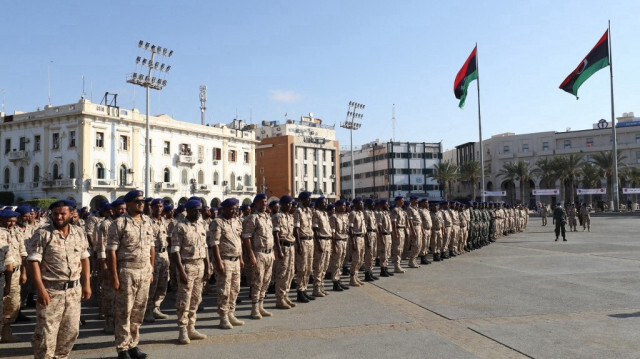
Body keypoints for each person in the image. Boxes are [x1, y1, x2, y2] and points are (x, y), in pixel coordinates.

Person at [27, 200, 91, 358]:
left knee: (71, 331)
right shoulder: (43, 234)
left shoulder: (78, 233)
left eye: (63, 213)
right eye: (56, 214)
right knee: (46, 334)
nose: (59, 217)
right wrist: (41, 289)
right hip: (51, 291)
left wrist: (87, 284)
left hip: (74, 291)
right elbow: (33, 262)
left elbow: (85, 259)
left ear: (71, 214)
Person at [107, 190, 154, 359]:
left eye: (142, 201)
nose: (140, 203)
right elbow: (111, 251)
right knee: (124, 312)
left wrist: (151, 269)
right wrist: (114, 276)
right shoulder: (119, 223)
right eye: (136, 201)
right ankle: (122, 348)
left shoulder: (148, 221)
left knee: (138, 311)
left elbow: (151, 247)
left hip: (144, 270)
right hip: (127, 271)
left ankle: (133, 344)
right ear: (128, 204)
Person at [171, 199, 209, 344]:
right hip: (187, 266)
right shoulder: (180, 227)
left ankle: (191, 328)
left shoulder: (201, 225)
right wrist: (181, 271)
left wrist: (208, 265)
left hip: (200, 265)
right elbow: (175, 251)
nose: (199, 213)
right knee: (184, 300)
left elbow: (205, 247)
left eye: (200, 210)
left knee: (196, 299)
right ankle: (182, 330)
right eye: (196, 210)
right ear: (188, 211)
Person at [210, 198, 245, 329]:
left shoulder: (236, 221)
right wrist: (218, 262)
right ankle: (223, 316)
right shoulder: (217, 223)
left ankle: (231, 312)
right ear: (223, 209)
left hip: (235, 259)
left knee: (235, 289)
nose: (234, 211)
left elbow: (238, 241)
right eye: (231, 208)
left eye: (236, 208)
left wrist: (241, 258)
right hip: (224, 260)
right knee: (224, 290)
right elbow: (214, 244)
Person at [242, 194, 275, 319]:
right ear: (255, 204)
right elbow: (246, 238)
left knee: (266, 280)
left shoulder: (268, 217)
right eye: (261, 202)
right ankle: (254, 308)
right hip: (259, 253)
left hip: (269, 253)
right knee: (257, 281)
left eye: (265, 201)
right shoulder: (252, 218)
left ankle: (261, 306)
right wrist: (251, 255)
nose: (264, 204)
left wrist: (273, 252)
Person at [1, 209, 27, 343]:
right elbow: (6, 259)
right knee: (3, 303)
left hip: (16, 272)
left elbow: (23, 252)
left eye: (14, 221)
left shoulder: (17, 231)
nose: (12, 224)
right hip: (4, 273)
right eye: (9, 221)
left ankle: (6, 331)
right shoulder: (1, 233)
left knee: (14, 303)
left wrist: (24, 272)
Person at [145, 198, 170, 323]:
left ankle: (156, 307)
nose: (158, 208)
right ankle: (147, 310)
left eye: (160, 206)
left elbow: (167, 240)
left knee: (163, 284)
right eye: (156, 206)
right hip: (153, 256)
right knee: (152, 285)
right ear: (151, 207)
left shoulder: (164, 222)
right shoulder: (147, 222)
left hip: (164, 254)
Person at [272, 195, 297, 309]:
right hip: (283, 247)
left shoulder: (290, 217)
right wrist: (279, 250)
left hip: (291, 246)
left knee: (290, 272)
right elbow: (276, 234)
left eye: (291, 204)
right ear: (282, 204)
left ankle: (285, 295)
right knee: (282, 274)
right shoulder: (278, 216)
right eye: (288, 204)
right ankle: (280, 299)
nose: (290, 206)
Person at [293, 191, 315, 303]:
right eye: (307, 199)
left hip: (310, 241)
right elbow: (296, 229)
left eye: (310, 199)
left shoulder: (309, 211)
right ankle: (300, 291)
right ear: (302, 200)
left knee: (308, 267)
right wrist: (299, 245)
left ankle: (305, 289)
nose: (309, 200)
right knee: (302, 268)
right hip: (302, 241)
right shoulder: (298, 211)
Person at [311, 196, 332, 297]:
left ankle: (321, 286)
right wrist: (318, 244)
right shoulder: (316, 213)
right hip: (321, 241)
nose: (326, 204)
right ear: (319, 204)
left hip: (327, 241)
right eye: (324, 202)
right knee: (319, 266)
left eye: (326, 202)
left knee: (325, 265)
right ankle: (316, 288)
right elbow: (315, 230)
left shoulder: (325, 214)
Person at [390, 196, 408, 273]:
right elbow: (393, 223)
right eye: (401, 201)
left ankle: (398, 265)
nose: (403, 202)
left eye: (403, 201)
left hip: (402, 230)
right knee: (397, 249)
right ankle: (396, 266)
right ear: (397, 201)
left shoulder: (402, 211)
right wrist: (395, 233)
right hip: (397, 230)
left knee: (400, 249)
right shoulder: (395, 210)